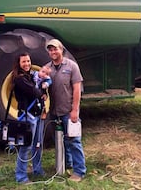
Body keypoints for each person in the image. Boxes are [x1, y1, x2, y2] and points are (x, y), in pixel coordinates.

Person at [45, 39, 86, 182]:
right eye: (50, 50)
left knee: (74, 140)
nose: (53, 52)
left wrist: (75, 110)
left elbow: (77, 90)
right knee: (60, 141)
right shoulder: (47, 68)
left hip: (68, 111)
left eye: (55, 49)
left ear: (61, 50)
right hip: (54, 112)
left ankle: (79, 171)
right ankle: (66, 164)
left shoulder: (72, 66)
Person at [12, 52, 46, 184]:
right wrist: (42, 90)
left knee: (38, 144)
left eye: (28, 61)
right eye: (24, 62)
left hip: (37, 114)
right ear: (19, 64)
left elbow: (40, 92)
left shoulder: (31, 75)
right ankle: (21, 177)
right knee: (26, 146)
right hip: (27, 116)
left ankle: (37, 170)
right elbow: (35, 91)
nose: (27, 64)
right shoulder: (19, 79)